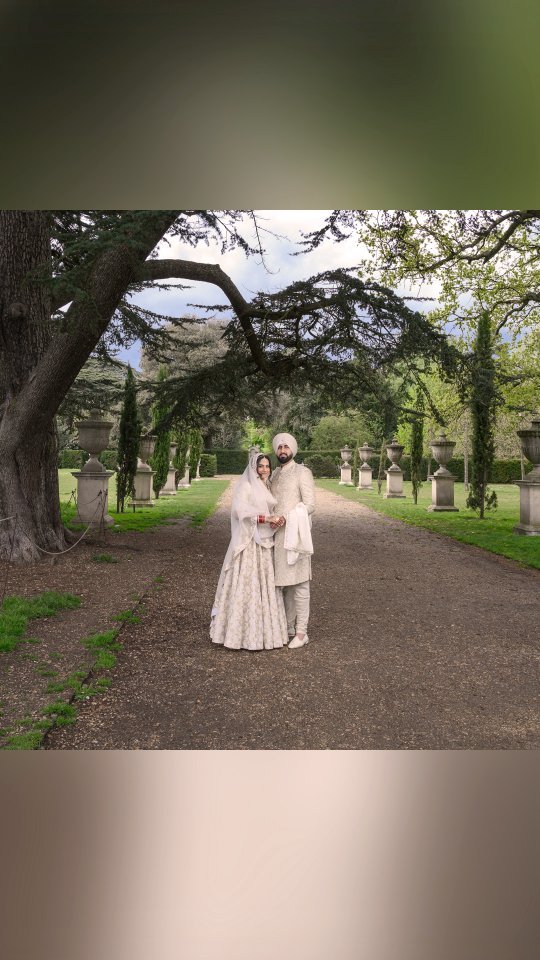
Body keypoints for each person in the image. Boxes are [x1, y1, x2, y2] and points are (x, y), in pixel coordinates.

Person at [210, 452, 289, 651]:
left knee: (265, 588)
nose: (264, 469)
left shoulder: (267, 485)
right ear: (254, 468)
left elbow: (268, 512)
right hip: (249, 543)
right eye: (260, 466)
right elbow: (239, 511)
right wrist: (266, 519)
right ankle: (239, 634)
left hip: (265, 542)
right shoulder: (246, 486)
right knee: (247, 585)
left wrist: (274, 520)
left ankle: (265, 634)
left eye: (267, 466)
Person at [270, 432, 315, 649]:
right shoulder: (274, 475)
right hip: (276, 536)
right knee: (283, 584)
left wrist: (287, 518)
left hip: (296, 534)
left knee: (300, 583)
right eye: (279, 448)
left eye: (286, 447)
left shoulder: (302, 472)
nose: (282, 451)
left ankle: (301, 632)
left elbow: (310, 505)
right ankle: (287, 627)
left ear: (293, 449)